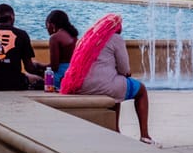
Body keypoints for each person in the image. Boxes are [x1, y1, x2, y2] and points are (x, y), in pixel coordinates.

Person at [60, 13, 156, 144]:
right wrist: (126, 72)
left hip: (81, 85)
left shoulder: (87, 39)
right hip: (103, 85)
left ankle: (115, 130)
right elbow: (124, 69)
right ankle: (145, 135)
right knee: (141, 90)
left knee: (117, 84)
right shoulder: (116, 39)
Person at [0, 3, 42, 91]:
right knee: (39, 80)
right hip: (15, 83)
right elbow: (28, 67)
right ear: (12, 17)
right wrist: (41, 71)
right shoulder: (21, 34)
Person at [45, 9, 78, 90]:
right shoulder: (74, 37)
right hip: (73, 75)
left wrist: (38, 65)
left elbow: (54, 67)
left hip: (60, 77)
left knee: (33, 78)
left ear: (51, 25)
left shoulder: (55, 38)